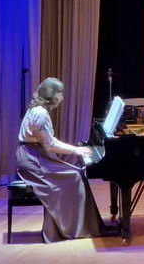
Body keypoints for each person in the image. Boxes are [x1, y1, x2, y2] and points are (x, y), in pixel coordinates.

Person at [15, 78, 103, 242]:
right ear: (52, 95)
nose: (62, 97)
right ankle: (74, 228)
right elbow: (50, 145)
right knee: (75, 177)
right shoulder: (40, 114)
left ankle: (82, 225)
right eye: (60, 93)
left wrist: (75, 149)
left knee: (76, 173)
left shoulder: (38, 110)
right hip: (33, 161)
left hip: (35, 155)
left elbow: (50, 141)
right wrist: (76, 150)